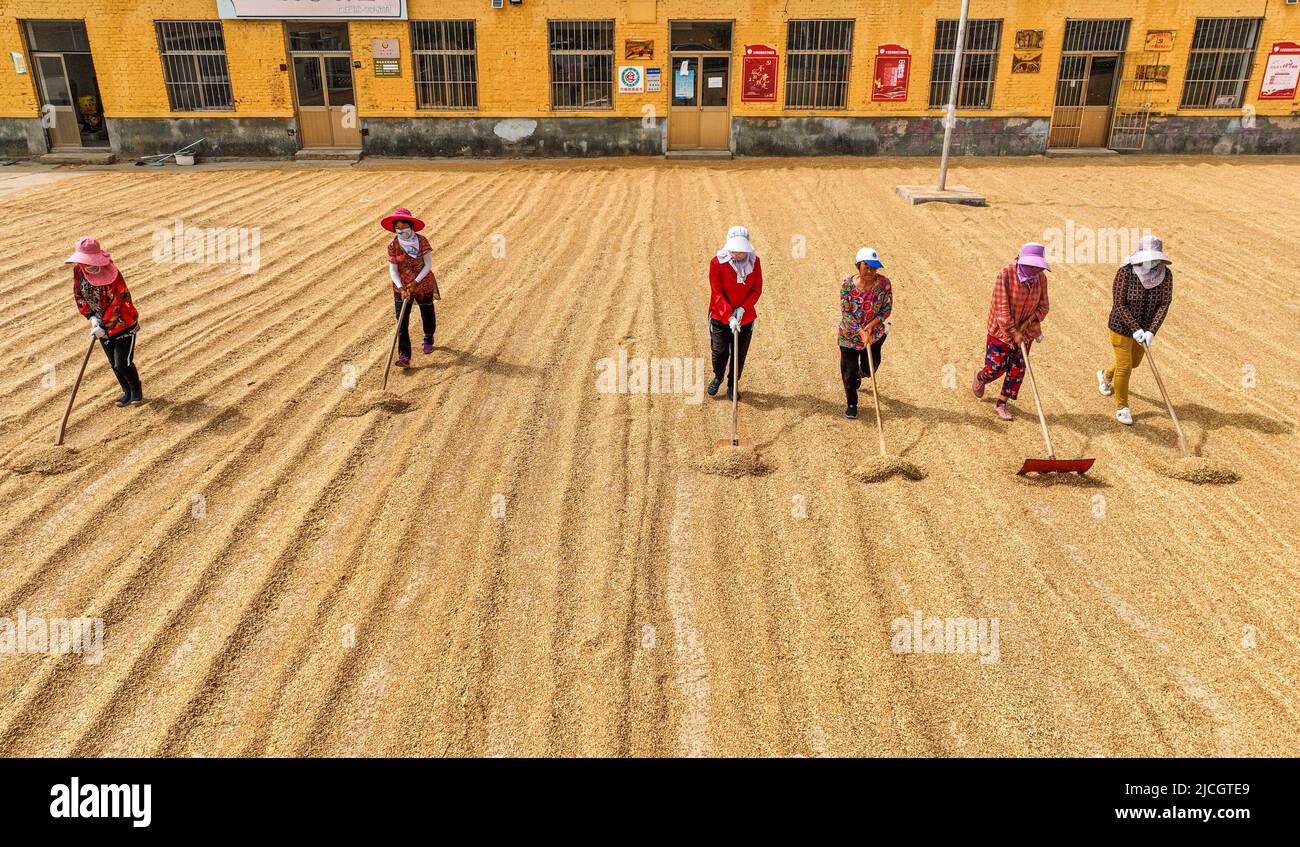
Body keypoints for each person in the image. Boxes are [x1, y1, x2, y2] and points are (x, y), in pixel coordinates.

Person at [1097, 235, 1173, 426]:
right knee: (1124, 366)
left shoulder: (1166, 275)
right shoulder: (1126, 272)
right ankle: (1122, 408)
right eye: (1149, 258)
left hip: (1145, 328)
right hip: (1121, 326)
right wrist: (1134, 328)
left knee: (1134, 363)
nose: (1152, 262)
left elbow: (1164, 304)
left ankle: (1105, 374)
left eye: (1155, 259)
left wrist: (1151, 331)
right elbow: (1120, 303)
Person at [972, 242, 1050, 420]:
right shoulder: (1006, 274)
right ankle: (980, 376)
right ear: (1021, 261)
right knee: (995, 368)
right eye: (1031, 265)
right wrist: (1014, 332)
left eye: (1038, 267)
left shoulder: (1041, 279)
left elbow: (1044, 306)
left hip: (1026, 332)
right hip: (1001, 332)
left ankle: (1001, 404)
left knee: (1017, 370)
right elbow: (1002, 309)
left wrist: (1025, 326)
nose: (1035, 269)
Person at [68, 236, 143, 406]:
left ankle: (136, 390)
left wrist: (104, 324)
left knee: (122, 362)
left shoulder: (113, 274)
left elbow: (119, 301)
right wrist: (92, 318)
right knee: (113, 364)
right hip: (100, 325)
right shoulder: (78, 270)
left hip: (123, 324)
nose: (85, 265)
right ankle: (126, 392)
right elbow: (78, 294)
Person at [707, 226, 763, 400]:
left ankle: (733, 384)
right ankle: (718, 376)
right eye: (735, 250)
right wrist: (729, 316)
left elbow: (756, 289)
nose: (737, 254)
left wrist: (742, 309)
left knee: (739, 354)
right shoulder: (716, 263)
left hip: (745, 318)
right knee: (719, 352)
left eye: (741, 251)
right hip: (720, 316)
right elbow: (716, 293)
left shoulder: (755, 262)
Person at [838, 247, 892, 419]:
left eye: (874, 268)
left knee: (870, 368)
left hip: (874, 335)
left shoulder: (884, 284)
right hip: (850, 337)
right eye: (866, 267)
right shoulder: (847, 285)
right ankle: (852, 403)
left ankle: (863, 373)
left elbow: (886, 309)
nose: (870, 271)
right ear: (858, 267)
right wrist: (860, 331)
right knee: (849, 373)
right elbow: (846, 313)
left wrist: (872, 325)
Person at [382, 207, 439, 368]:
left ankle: (428, 337)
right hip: (401, 286)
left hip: (423, 282)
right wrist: (401, 288)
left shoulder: (422, 241)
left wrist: (416, 282)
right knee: (401, 321)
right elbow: (392, 270)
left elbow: (428, 264)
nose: (401, 230)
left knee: (427, 311)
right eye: (397, 228)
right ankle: (404, 355)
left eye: (404, 227)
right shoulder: (393, 245)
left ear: (411, 226)